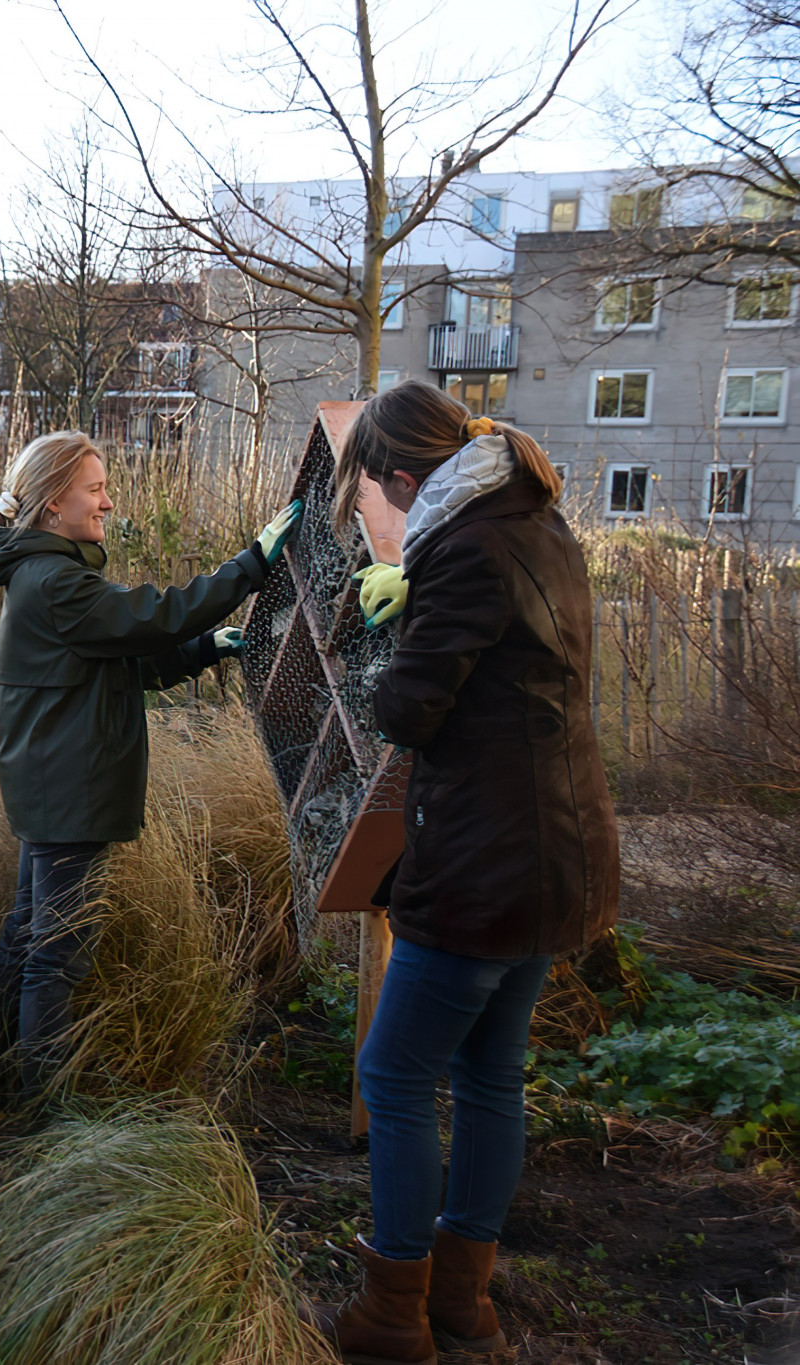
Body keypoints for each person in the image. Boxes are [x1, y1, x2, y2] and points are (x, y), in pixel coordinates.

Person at [310, 382, 618, 1365]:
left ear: (404, 477)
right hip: (557, 856)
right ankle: (463, 1303)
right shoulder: (535, 520)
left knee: (392, 1075)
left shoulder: (460, 546)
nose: (383, 511)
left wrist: (381, 615)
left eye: (378, 492)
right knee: (489, 1077)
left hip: (485, 862)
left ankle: (392, 1311)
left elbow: (406, 711)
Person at [0, 430, 300, 1118]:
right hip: (68, 791)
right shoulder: (55, 580)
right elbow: (153, 616)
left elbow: (122, 656)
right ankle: (45, 1114)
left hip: (51, 785)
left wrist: (206, 647)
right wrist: (251, 566)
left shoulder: (46, 573)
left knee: (28, 938)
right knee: (57, 953)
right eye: (96, 488)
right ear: (54, 501)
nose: (108, 501)